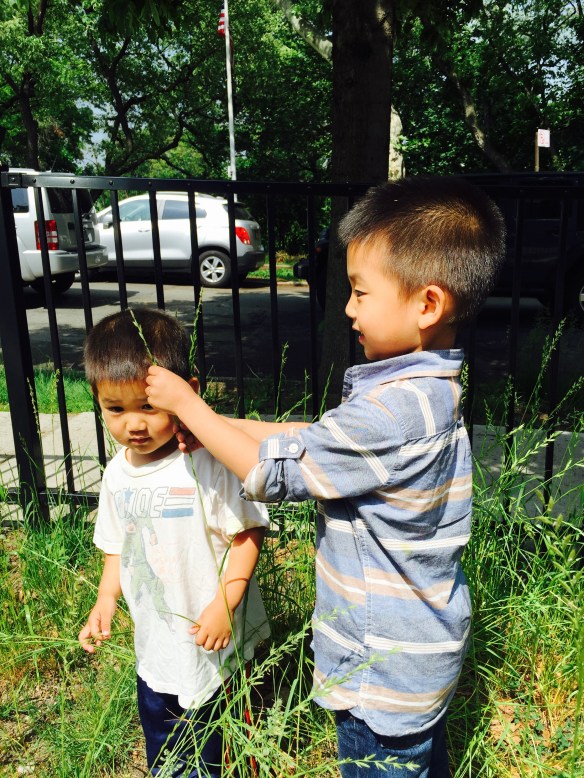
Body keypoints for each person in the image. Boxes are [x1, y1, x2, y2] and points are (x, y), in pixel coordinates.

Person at [144, 176, 506, 777]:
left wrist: (191, 409)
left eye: (361, 292)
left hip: (382, 671)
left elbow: (275, 471)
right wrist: (219, 425)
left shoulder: (390, 411)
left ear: (427, 304)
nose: (347, 307)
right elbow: (310, 441)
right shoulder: (422, 392)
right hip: (418, 659)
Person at [78, 307, 270, 777]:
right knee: (168, 752)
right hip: (158, 650)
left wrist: (225, 605)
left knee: (234, 744)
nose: (134, 424)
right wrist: (105, 599)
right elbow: (117, 546)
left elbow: (247, 534)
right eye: (115, 409)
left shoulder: (206, 462)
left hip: (221, 651)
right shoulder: (116, 475)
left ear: (188, 395)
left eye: (148, 406)